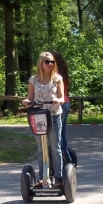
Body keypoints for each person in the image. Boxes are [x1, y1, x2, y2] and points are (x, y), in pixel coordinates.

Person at [22, 51, 64, 187]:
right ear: (41, 63)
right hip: (38, 116)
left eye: (52, 62)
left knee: (55, 148)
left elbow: (62, 97)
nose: (50, 64)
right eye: (47, 61)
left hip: (54, 116)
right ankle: (42, 177)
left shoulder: (57, 79)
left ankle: (58, 177)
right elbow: (30, 97)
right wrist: (26, 101)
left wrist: (57, 100)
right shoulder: (33, 80)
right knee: (41, 149)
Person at [52, 51, 72, 160]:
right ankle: (67, 158)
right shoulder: (63, 74)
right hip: (66, 103)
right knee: (62, 133)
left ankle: (63, 159)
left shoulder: (56, 76)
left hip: (59, 105)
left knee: (57, 135)